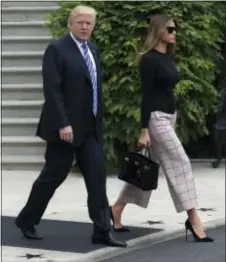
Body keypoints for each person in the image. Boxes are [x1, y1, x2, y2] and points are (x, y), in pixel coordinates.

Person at [15, 5, 127, 248]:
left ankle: (101, 230)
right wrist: (63, 123)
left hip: (90, 129)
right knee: (53, 176)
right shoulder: (57, 49)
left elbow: (93, 88)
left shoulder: (93, 49)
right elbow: (52, 91)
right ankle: (27, 220)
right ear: (71, 24)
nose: (85, 27)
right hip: (64, 129)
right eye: (80, 23)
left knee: (97, 179)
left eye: (89, 23)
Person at [110, 14, 214, 242]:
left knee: (148, 166)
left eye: (175, 29)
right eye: (169, 29)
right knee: (181, 163)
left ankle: (117, 208)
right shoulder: (148, 59)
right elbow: (146, 96)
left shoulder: (168, 56)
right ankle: (193, 218)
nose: (174, 33)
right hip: (155, 118)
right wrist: (144, 129)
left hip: (169, 117)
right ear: (158, 31)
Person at [212, 86, 226, 168]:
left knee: (218, 139)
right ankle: (218, 159)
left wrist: (218, 110)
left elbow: (221, 106)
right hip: (222, 119)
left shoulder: (224, 92)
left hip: (222, 120)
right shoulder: (224, 91)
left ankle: (218, 158)